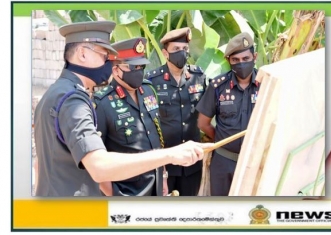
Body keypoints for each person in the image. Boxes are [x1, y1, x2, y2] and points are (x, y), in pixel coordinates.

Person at [34, 21, 209, 197]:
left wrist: (161, 172)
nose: (108, 63)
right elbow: (99, 166)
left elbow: (40, 164)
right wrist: (170, 155)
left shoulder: (57, 92)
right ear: (82, 54)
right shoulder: (74, 101)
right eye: (104, 55)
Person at [93, 37, 168, 196]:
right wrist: (113, 194)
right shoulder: (102, 103)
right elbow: (94, 160)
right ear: (116, 70)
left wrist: (163, 176)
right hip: (126, 192)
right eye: (133, 67)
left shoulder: (148, 90)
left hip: (156, 185)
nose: (139, 71)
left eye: (141, 66)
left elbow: (157, 138)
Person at [195, 32, 259, 196]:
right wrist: (222, 139)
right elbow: (203, 123)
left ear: (255, 57)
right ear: (228, 61)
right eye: (235, 60)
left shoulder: (266, 84)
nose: (241, 64)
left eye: (246, 59)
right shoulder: (218, 86)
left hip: (256, 161)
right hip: (224, 161)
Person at [145, 27, 207, 196]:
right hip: (165, 163)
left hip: (192, 161)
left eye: (185, 49)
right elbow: (148, 124)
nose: (182, 53)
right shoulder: (152, 81)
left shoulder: (198, 76)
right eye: (176, 49)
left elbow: (207, 112)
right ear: (165, 53)